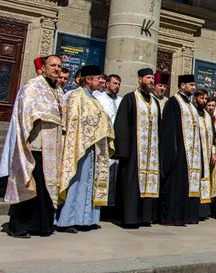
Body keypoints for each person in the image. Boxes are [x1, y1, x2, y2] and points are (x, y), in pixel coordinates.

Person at [0, 55, 63, 238]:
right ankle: (18, 226)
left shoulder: (57, 90)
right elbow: (24, 115)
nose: (57, 69)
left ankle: (42, 225)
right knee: (29, 186)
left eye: (59, 66)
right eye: (53, 65)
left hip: (52, 149)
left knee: (44, 188)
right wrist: (24, 142)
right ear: (43, 67)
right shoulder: (32, 86)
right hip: (34, 146)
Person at [56, 65, 114, 233]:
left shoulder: (94, 99)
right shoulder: (76, 96)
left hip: (93, 146)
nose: (101, 82)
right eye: (98, 79)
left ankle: (85, 219)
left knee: (89, 182)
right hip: (79, 145)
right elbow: (73, 121)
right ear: (88, 79)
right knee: (76, 181)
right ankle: (67, 220)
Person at [113, 68, 160, 227]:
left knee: (149, 182)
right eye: (148, 78)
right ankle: (130, 217)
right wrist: (123, 150)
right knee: (131, 184)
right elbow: (121, 125)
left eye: (152, 78)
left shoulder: (155, 102)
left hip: (151, 152)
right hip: (134, 151)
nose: (151, 81)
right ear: (140, 79)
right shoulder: (130, 98)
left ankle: (145, 217)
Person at [159, 74, 208, 225]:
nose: (194, 88)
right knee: (175, 185)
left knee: (188, 185)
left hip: (191, 153)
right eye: (191, 85)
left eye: (194, 85)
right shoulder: (174, 102)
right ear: (182, 85)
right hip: (178, 151)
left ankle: (187, 215)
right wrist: (173, 151)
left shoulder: (190, 105)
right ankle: (173, 217)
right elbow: (169, 130)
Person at [95, 74, 122, 211]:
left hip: (117, 142)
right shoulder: (99, 99)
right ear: (107, 84)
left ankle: (113, 205)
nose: (116, 86)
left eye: (118, 84)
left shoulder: (122, 100)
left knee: (116, 174)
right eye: (114, 83)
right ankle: (101, 205)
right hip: (103, 140)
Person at [192, 88, 215, 219]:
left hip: (206, 153)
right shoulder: (192, 112)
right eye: (202, 98)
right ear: (195, 98)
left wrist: (213, 152)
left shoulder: (207, 115)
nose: (204, 101)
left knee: (204, 179)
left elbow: (212, 136)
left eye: (206, 98)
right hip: (195, 152)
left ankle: (203, 211)